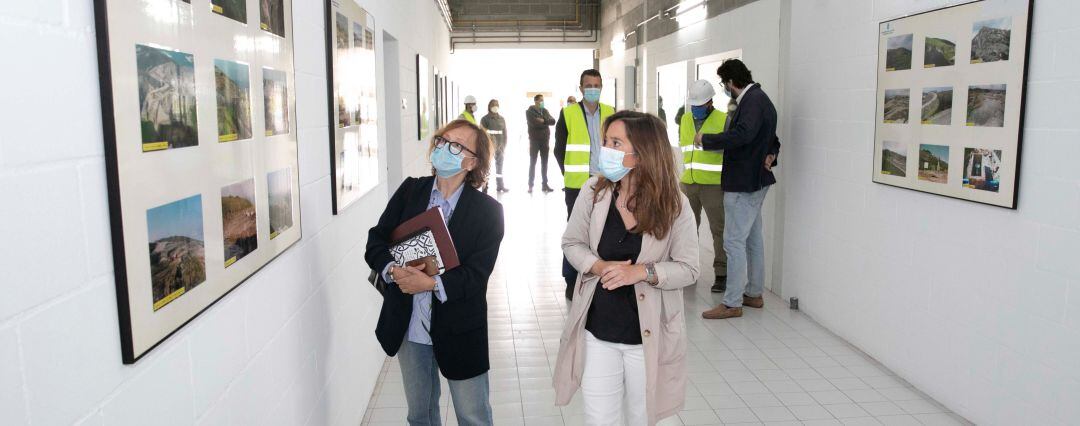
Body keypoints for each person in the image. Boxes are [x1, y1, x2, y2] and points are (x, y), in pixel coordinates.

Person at [553, 111, 700, 426]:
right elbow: (572, 243)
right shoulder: (594, 192)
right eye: (605, 141)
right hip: (598, 332)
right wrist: (598, 264)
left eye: (615, 142)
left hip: (650, 335)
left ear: (643, 151)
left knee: (649, 417)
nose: (605, 148)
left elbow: (689, 269)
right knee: (599, 419)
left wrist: (643, 272)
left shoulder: (674, 204)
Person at [366, 119, 505, 425]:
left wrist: (430, 283)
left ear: (472, 162)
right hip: (410, 326)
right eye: (441, 141)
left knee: (473, 416)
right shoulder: (410, 192)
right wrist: (392, 271)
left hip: (460, 328)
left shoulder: (488, 212)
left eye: (455, 145)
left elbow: (476, 275)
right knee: (420, 416)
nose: (444, 148)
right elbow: (376, 240)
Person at [695, 59, 781, 320]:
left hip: (744, 183)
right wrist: (772, 153)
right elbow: (771, 138)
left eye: (724, 84)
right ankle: (753, 293)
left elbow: (743, 135)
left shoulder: (753, 101)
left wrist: (706, 139)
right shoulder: (760, 99)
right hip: (755, 181)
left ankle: (732, 302)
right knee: (753, 239)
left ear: (731, 82)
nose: (725, 89)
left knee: (733, 242)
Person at [554, 69, 615, 300]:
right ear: (580, 88)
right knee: (576, 233)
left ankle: (600, 276)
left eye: (596, 85)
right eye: (588, 85)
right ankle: (571, 280)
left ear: (601, 87)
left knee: (604, 230)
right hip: (577, 184)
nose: (593, 89)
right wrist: (568, 174)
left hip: (607, 181)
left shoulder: (610, 112)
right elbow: (559, 149)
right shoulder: (568, 113)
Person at [680, 79, 729, 293]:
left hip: (712, 185)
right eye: (694, 105)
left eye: (700, 105)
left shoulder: (724, 120)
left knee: (719, 230)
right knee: (686, 229)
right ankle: (686, 269)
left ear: (710, 102)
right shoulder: (685, 119)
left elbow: (729, 149)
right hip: (688, 183)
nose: (696, 109)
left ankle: (721, 274)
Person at [526, 94, 556, 194]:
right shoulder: (529, 112)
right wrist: (545, 123)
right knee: (532, 163)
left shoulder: (545, 111)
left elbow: (553, 121)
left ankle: (545, 185)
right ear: (535, 101)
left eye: (543, 100)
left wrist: (543, 121)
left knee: (545, 163)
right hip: (534, 141)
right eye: (540, 100)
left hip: (545, 141)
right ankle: (530, 185)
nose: (542, 102)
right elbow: (534, 123)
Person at [481, 99, 508, 193]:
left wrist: (503, 145)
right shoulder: (485, 119)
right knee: (486, 167)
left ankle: (500, 186)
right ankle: (485, 187)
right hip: (489, 147)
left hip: (500, 147)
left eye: (497, 104)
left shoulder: (502, 119)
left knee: (500, 168)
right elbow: (482, 133)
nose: (495, 106)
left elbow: (505, 134)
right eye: (493, 105)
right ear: (489, 106)